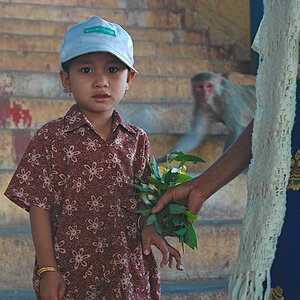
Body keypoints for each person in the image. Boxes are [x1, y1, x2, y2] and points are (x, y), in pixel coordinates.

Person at [4, 16, 182, 300]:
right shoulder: (51, 138)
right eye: (86, 70)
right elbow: (39, 207)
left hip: (127, 271)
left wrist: (152, 227)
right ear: (66, 79)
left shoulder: (137, 140)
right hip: (72, 272)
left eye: (113, 70)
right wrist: (48, 268)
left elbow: (148, 202)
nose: (101, 81)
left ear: (129, 80)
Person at [147, 1, 300, 298]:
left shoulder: (230, 97)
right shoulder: (284, 9)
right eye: (200, 89)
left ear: (218, 87)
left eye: (209, 88)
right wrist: (200, 185)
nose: (204, 94)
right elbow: (274, 113)